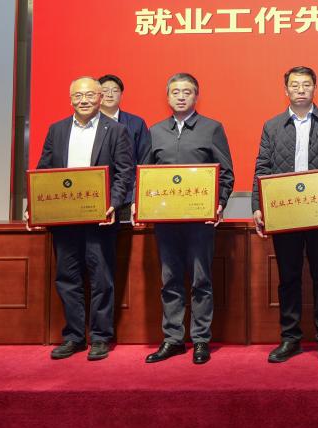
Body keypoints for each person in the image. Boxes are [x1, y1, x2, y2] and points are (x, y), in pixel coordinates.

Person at [28, 76, 134, 361]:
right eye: (78, 96)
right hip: (65, 219)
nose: (83, 100)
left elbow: (125, 172)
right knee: (67, 277)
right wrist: (34, 204)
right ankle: (74, 336)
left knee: (101, 278)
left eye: (89, 95)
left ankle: (100, 337)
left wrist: (114, 204)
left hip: (100, 218)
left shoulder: (117, 130)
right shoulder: (57, 129)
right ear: (71, 99)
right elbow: (44, 169)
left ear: (100, 98)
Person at [252, 66, 318, 365]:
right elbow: (262, 167)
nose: (300, 90)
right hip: (285, 213)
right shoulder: (272, 126)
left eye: (306, 85)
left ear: (314, 89)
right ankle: (290, 338)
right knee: (288, 278)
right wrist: (258, 205)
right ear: (286, 90)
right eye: (294, 85)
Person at [139, 73, 234, 365]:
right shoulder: (155, 131)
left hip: (200, 220)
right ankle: (173, 339)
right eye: (175, 92)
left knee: (201, 280)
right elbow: (144, 173)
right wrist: (141, 204)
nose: (181, 96)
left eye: (187, 92)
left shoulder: (211, 128)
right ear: (168, 97)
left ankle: (201, 339)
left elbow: (226, 173)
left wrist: (218, 203)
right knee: (169, 280)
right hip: (165, 220)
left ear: (196, 96)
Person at [98, 74, 149, 222]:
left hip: (128, 197)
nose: (109, 94)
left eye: (115, 90)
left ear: (121, 95)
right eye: (105, 90)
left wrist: (136, 197)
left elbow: (144, 161)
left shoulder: (136, 123)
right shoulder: (89, 125)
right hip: (97, 196)